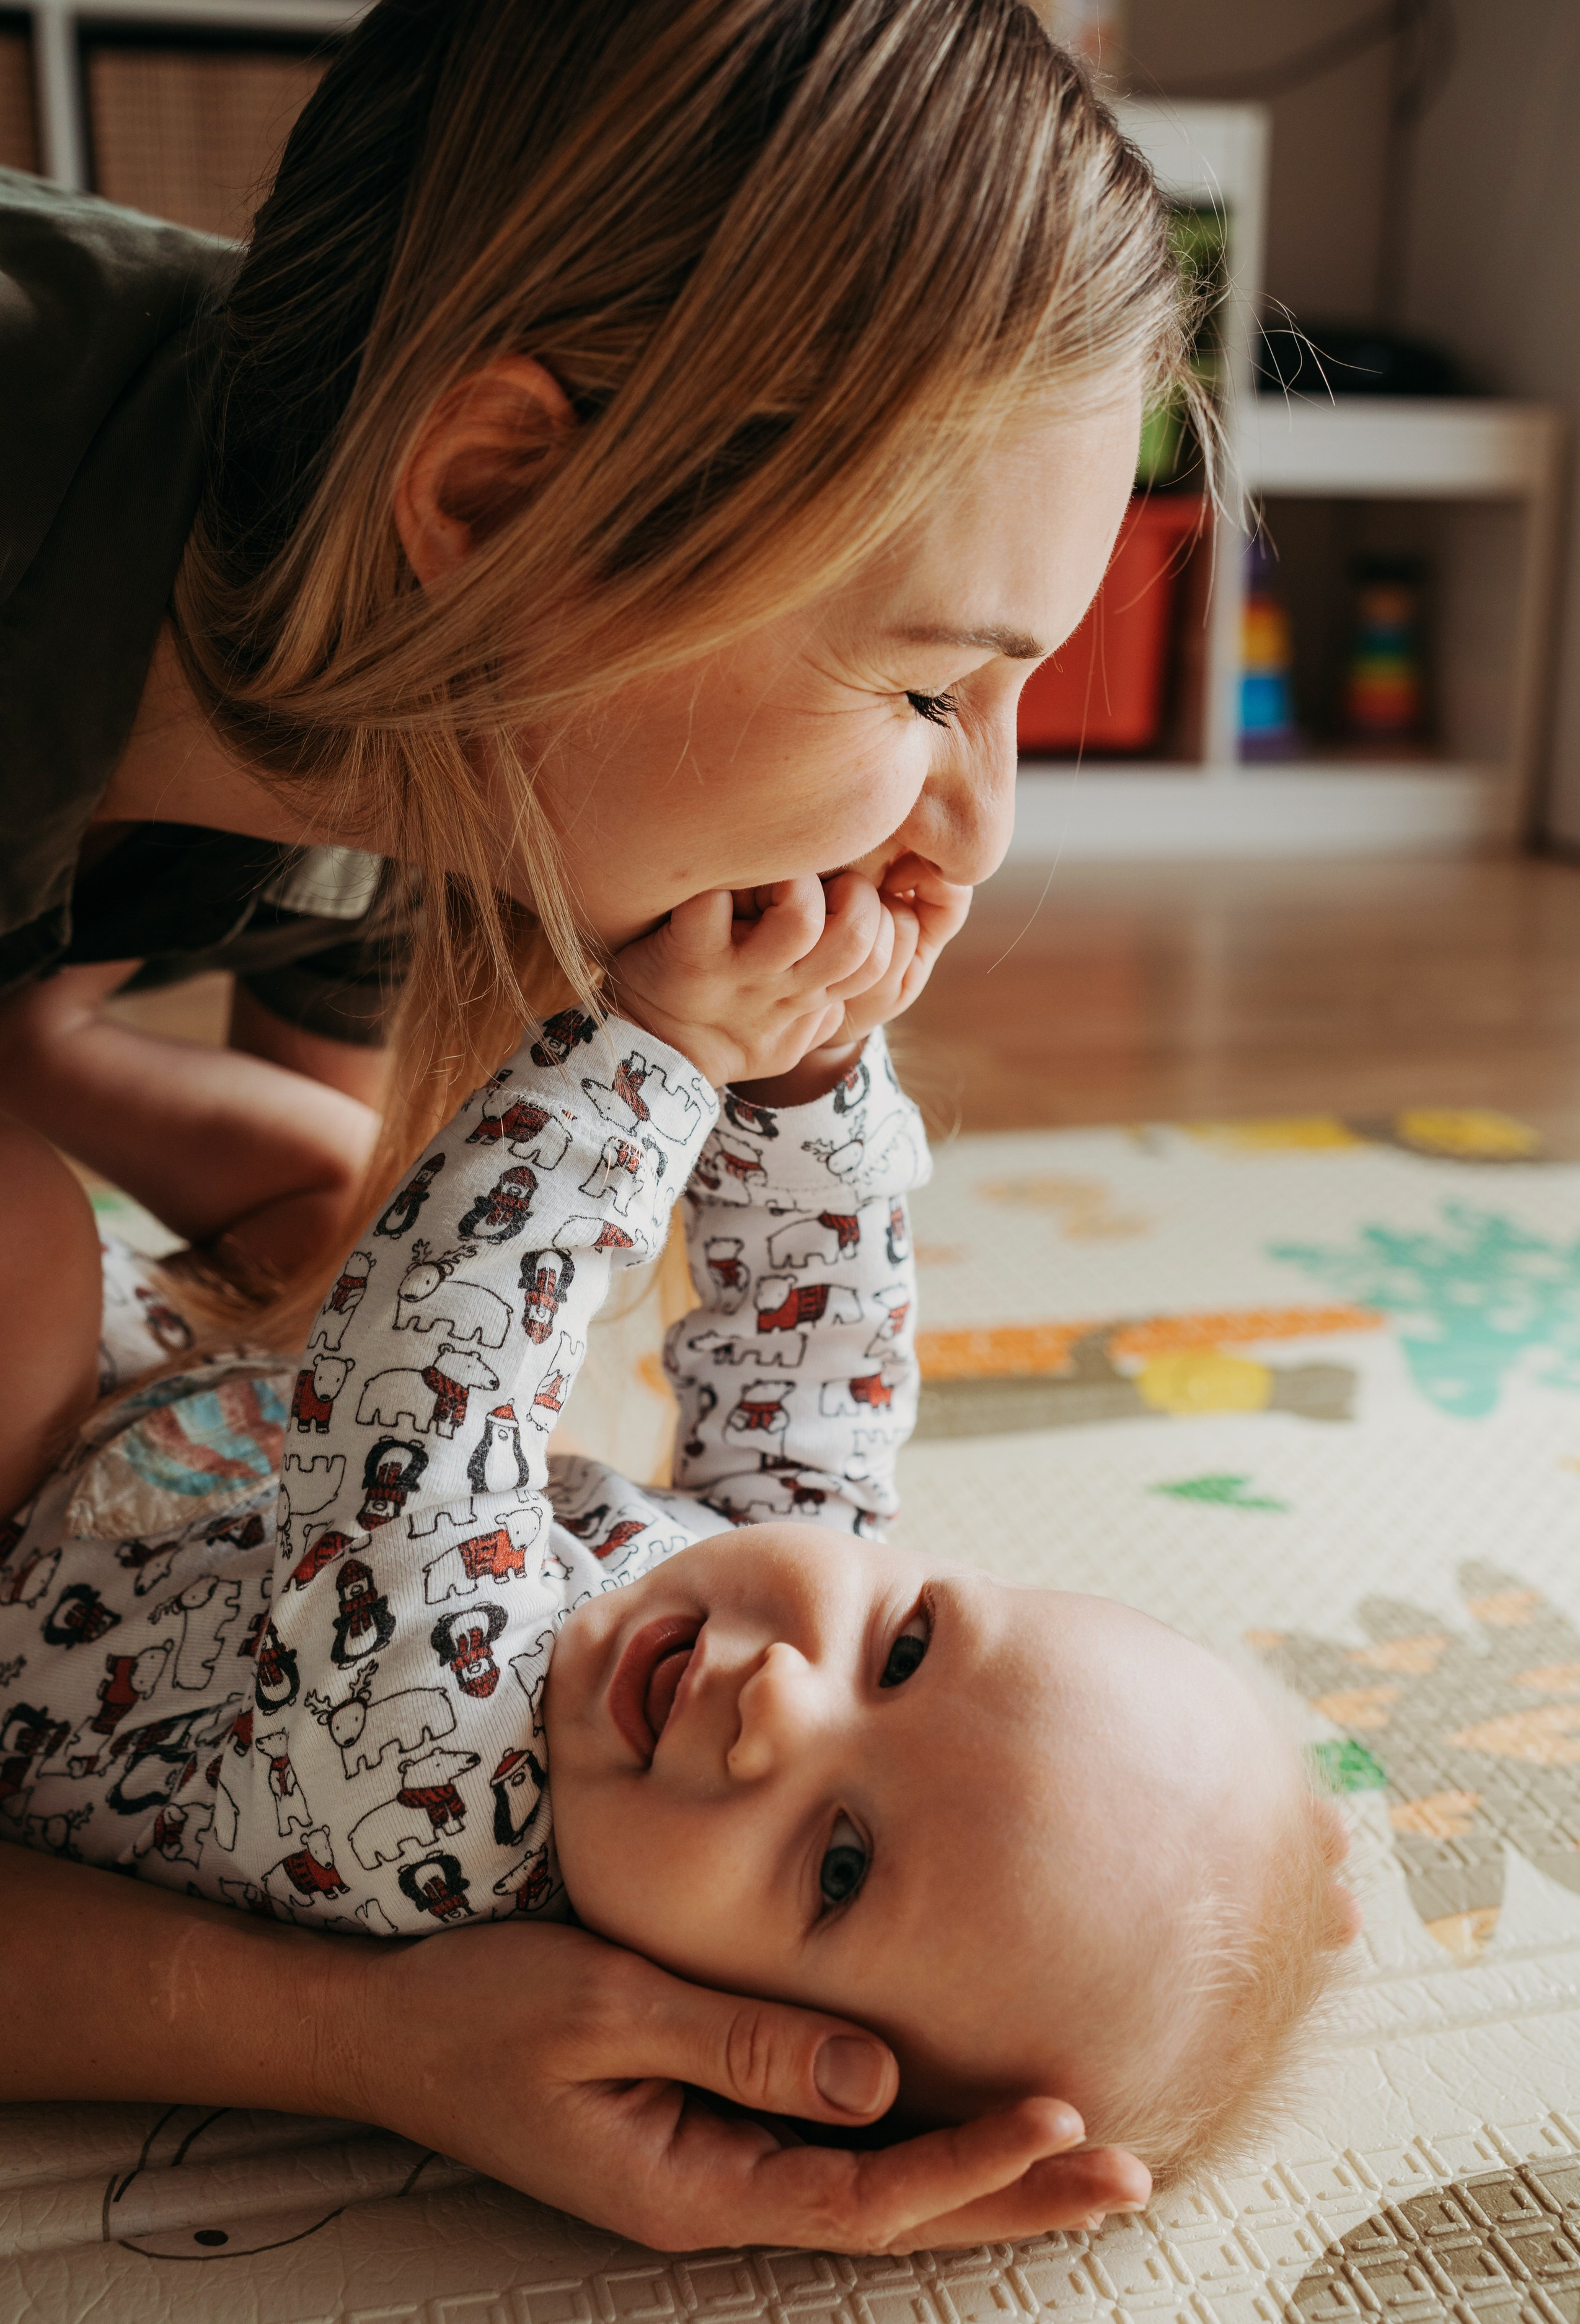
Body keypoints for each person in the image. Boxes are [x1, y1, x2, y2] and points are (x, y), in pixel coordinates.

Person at [0, 0, 1199, 2253]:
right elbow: (531, 1368)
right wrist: (739, 1085)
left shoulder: (423, 741)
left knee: (347, 1216)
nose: (972, 841)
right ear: (508, 502)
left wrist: (783, 1080)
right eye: (940, 688)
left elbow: (417, 1307)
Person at [2, 907, 1354, 2195]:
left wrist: (659, 1051)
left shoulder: (445, 1819)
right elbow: (817, 1341)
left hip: (33, 1530)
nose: (783, 1699)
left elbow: (425, 1372)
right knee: (345, 1193)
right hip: (220, 1419)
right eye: (909, 1647)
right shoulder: (794, 1608)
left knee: (31, 1238)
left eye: (838, 1866)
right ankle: (50, 1050)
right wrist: (808, 1067)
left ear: (728, 2045)